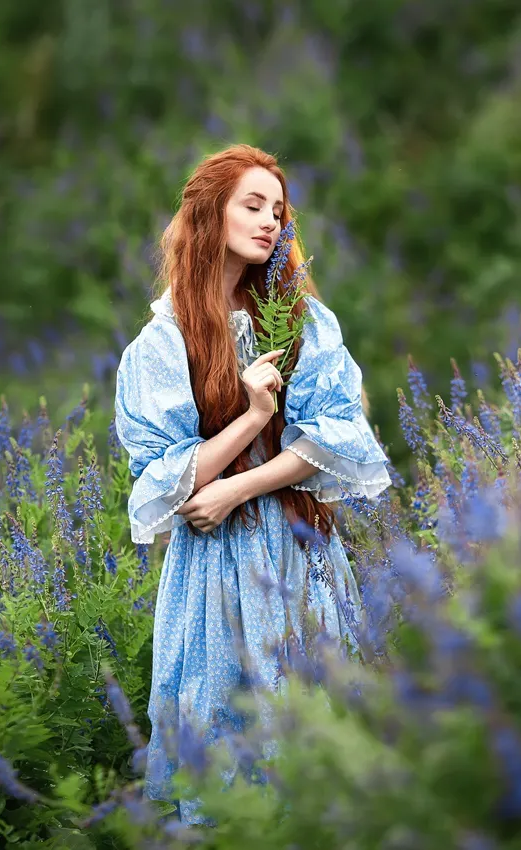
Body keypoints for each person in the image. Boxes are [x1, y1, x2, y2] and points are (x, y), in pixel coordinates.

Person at [113, 143, 392, 825]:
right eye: (253, 204)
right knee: (221, 739)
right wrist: (254, 417)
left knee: (313, 739)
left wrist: (241, 487)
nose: (271, 221)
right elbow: (165, 481)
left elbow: (337, 439)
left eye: (279, 210)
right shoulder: (164, 339)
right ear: (211, 212)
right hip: (215, 565)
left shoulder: (302, 320)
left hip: (300, 550)